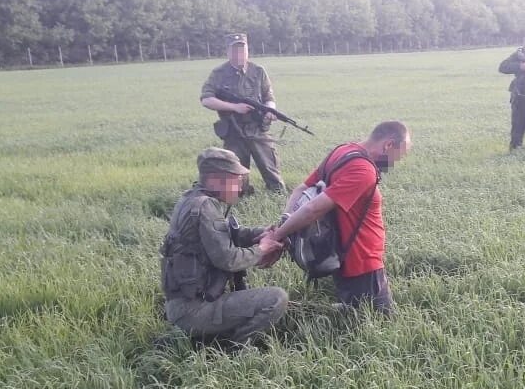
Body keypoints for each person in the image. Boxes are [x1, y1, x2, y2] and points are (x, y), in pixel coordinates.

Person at [268, 121, 412, 315]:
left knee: (355, 307)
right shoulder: (363, 170)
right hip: (362, 261)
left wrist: (285, 220)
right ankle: (300, 312)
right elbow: (312, 209)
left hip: (341, 252)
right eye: (398, 156)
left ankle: (332, 309)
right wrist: (279, 235)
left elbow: (301, 189)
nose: (395, 163)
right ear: (388, 145)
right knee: (382, 320)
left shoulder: (343, 151)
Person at [160, 147, 288, 345]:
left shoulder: (192, 198)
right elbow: (228, 259)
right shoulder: (205, 207)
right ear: (216, 180)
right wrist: (262, 249)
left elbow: (223, 233)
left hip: (182, 306)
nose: (239, 188)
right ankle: (237, 346)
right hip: (194, 311)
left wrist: (259, 233)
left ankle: (215, 334)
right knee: (277, 298)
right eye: (236, 181)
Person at [200, 33, 287, 193]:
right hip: (233, 131)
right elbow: (206, 99)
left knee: (271, 171)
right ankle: (242, 199)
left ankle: (278, 199)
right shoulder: (219, 73)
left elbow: (269, 97)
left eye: (242, 49)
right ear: (228, 51)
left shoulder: (258, 71)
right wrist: (234, 107)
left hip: (258, 129)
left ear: (247, 50)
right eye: (235, 50)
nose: (239, 54)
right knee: (235, 176)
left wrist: (270, 110)